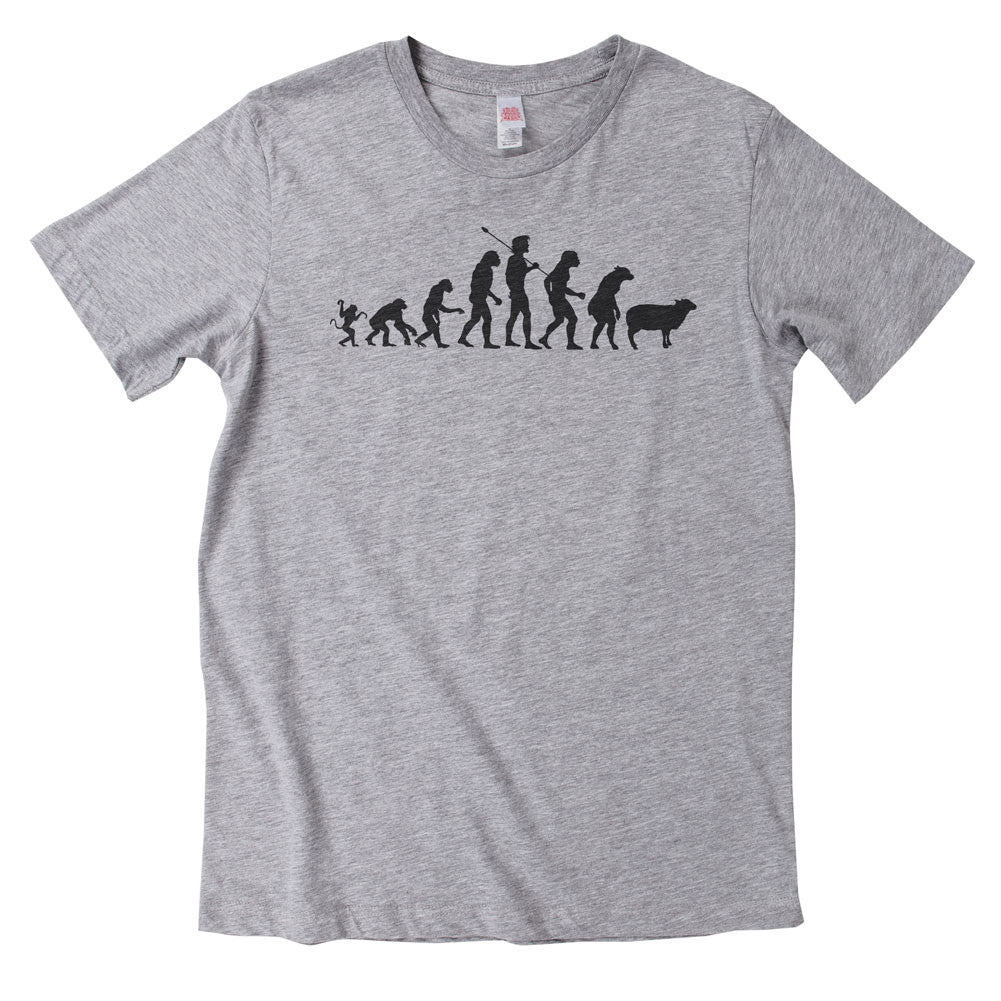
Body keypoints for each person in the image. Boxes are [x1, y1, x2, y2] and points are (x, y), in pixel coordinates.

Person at [539, 250, 585, 349]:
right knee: (572, 319)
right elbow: (560, 287)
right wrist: (577, 294)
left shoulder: (562, 268)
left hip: (557, 298)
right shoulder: (561, 269)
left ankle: (544, 338)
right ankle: (570, 343)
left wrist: (550, 294)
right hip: (558, 299)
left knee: (559, 320)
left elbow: (548, 280)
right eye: (576, 258)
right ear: (569, 260)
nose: (578, 260)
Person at [457, 251, 502, 348]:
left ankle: (462, 338)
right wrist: (494, 297)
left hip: (477, 297)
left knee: (475, 319)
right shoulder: (484, 269)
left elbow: (484, 287)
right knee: (487, 318)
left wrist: (493, 297)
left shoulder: (484, 268)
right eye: (496, 258)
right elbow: (483, 287)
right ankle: (487, 343)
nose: (499, 260)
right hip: (479, 297)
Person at [504, 235, 541, 348]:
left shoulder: (518, 258)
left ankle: (509, 340)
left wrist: (531, 268)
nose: (528, 245)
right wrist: (514, 290)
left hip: (517, 291)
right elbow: (510, 276)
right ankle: (527, 342)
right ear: (520, 245)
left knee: (514, 316)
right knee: (526, 315)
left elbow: (520, 272)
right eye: (525, 243)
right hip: (519, 291)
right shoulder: (515, 259)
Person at [415, 279, 464, 347]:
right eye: (449, 285)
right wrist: (437, 318)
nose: (450, 287)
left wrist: (457, 309)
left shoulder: (438, 293)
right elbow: (440, 308)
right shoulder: (437, 291)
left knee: (432, 330)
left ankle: (419, 340)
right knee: (434, 329)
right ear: (444, 285)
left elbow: (443, 309)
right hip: (428, 315)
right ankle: (438, 344)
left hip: (428, 314)